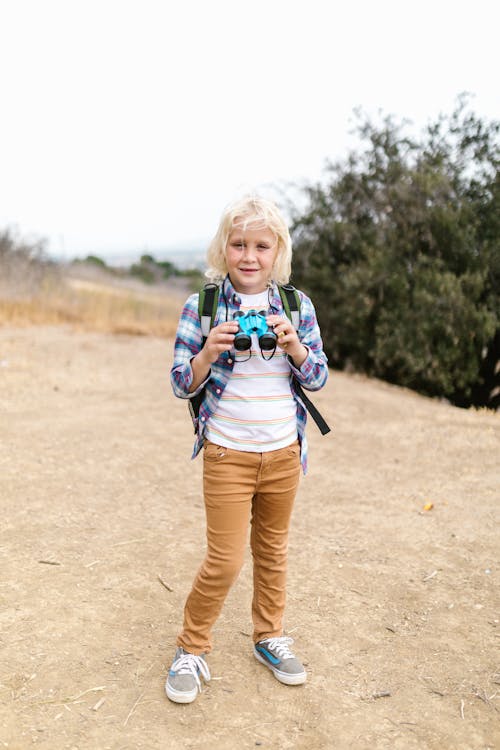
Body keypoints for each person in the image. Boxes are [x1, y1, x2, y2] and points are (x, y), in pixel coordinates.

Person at [166, 195, 328, 703]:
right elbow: (178, 382)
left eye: (261, 245)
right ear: (223, 248)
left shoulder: (297, 306)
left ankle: (268, 636)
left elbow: (318, 376)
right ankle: (191, 647)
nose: (249, 255)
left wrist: (295, 345)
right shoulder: (203, 306)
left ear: (278, 250)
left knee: (273, 552)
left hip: (284, 453)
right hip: (226, 453)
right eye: (238, 244)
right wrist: (209, 351)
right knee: (225, 560)